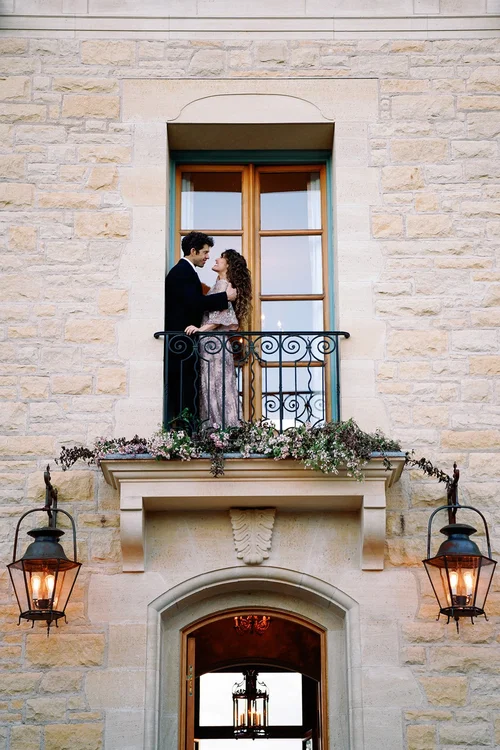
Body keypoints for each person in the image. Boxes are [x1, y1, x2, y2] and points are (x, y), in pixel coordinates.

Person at [164, 231, 237, 426]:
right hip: (183, 345)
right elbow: (194, 303)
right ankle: (185, 435)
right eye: (205, 252)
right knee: (186, 395)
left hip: (189, 344)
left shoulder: (186, 272)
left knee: (191, 393)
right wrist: (225, 298)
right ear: (193, 251)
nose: (207, 257)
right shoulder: (182, 272)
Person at [185, 249, 252, 429]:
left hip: (214, 345)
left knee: (216, 387)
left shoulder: (224, 285)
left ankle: (222, 430)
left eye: (221, 257)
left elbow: (219, 318)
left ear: (229, 265)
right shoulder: (219, 284)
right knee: (215, 387)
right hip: (212, 344)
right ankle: (221, 431)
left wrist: (200, 329)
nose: (216, 258)